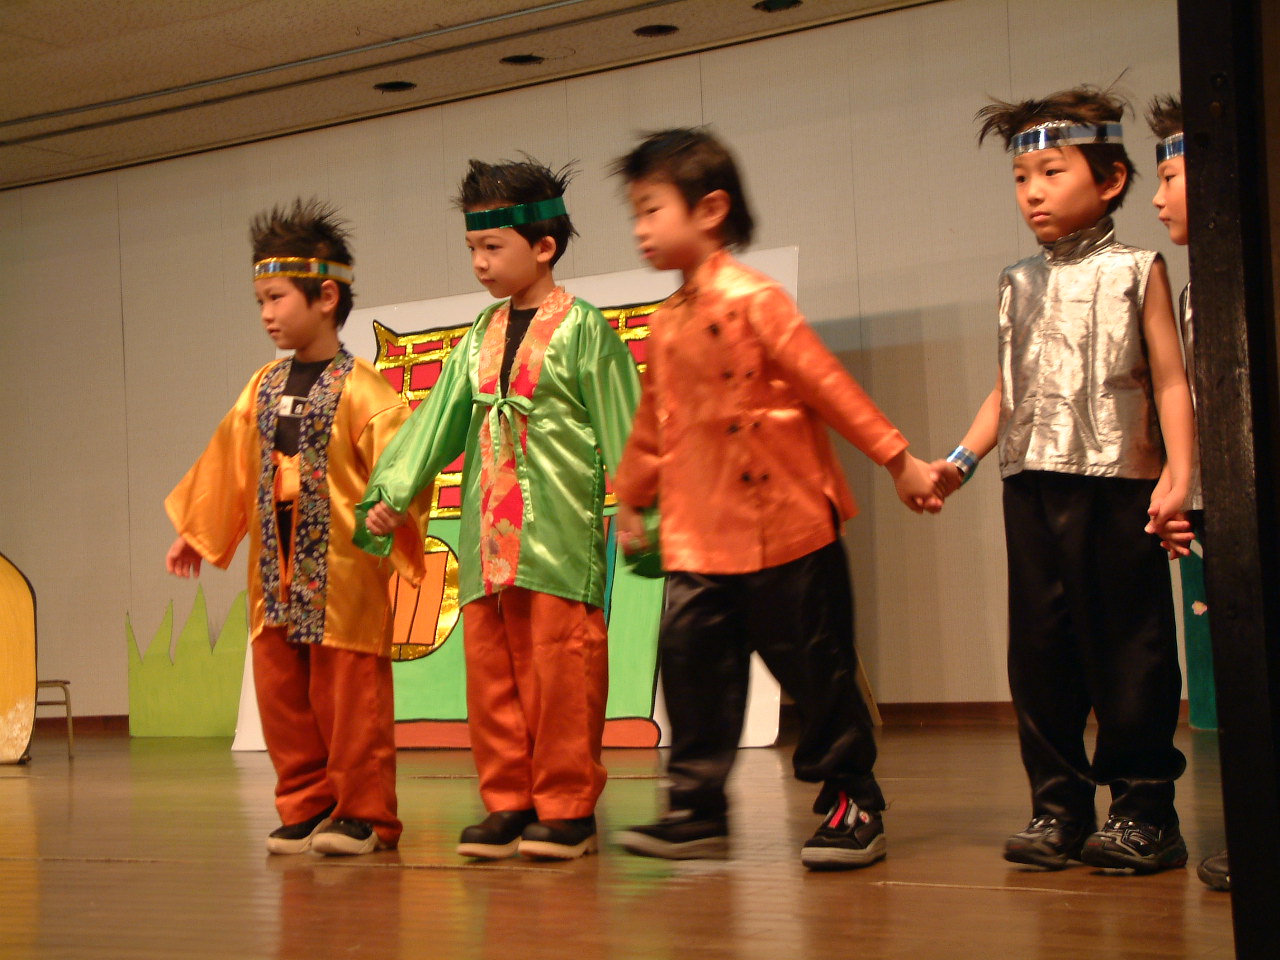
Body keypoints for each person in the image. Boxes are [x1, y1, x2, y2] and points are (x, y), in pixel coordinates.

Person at [608, 127, 943, 871]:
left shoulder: (757, 301)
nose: (640, 229)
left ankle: (853, 802)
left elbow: (828, 385)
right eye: (635, 213)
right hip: (700, 536)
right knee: (691, 669)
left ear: (710, 209)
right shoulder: (665, 322)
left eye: (652, 209)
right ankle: (696, 809)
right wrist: (631, 498)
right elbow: (653, 423)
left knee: (818, 673)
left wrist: (897, 459)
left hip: (788, 528)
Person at [933, 87, 1196, 873]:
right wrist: (960, 462)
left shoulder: (1137, 268)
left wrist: (1181, 474)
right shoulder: (1017, 281)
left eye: (1051, 172)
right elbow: (1008, 389)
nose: (1033, 192)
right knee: (1041, 652)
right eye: (1021, 178)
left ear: (1109, 180)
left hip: (1119, 483)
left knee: (1129, 648)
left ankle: (1144, 811)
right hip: (1031, 484)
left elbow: (1172, 379)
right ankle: (1058, 807)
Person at [356, 159, 640, 862]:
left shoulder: (584, 330)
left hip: (558, 537)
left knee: (562, 671)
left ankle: (568, 808)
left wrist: (643, 507)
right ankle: (509, 801)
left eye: (492, 247)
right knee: (491, 674)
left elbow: (627, 425)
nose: (480, 263)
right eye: (472, 249)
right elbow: (437, 420)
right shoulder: (479, 334)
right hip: (489, 538)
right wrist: (393, 490)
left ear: (543, 246)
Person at [165, 199, 427, 856]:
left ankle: (365, 814)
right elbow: (230, 461)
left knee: (350, 699)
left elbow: (403, 467)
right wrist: (198, 530)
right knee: (283, 694)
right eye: (261, 300)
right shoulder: (262, 385)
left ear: (326, 297)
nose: (267, 313)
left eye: (277, 298)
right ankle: (307, 804)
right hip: (275, 577)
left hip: (341, 575)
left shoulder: (366, 391)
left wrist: (393, 506)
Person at [1148, 93, 1230, 892]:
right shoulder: (1194, 287)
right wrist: (1184, 489)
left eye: (1170, 177)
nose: (1158, 197)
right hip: (1218, 505)